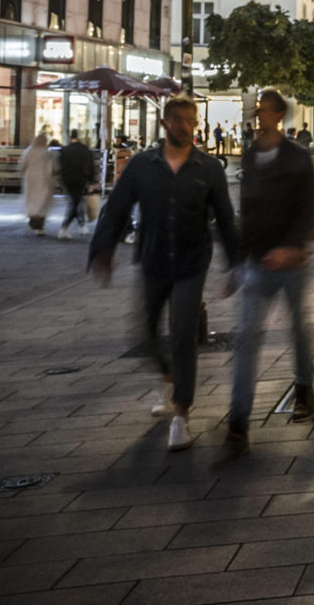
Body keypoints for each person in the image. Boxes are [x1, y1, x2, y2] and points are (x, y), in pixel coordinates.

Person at [88, 95, 238, 452]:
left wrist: (235, 263)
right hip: (153, 260)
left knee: (184, 334)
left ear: (196, 124)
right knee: (145, 332)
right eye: (177, 119)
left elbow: (226, 218)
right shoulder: (142, 166)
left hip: (191, 263)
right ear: (165, 123)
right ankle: (166, 374)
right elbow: (117, 208)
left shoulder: (209, 169)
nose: (183, 125)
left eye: (189, 119)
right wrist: (103, 250)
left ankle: (181, 414)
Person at [224, 89, 314, 459]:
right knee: (246, 338)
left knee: (298, 327)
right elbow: (246, 210)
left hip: (291, 262)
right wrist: (238, 261)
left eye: (264, 110)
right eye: (257, 110)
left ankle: (304, 389)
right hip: (257, 261)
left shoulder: (298, 157)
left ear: (279, 114)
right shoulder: (250, 155)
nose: (258, 115)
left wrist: (292, 246)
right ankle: (239, 420)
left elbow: (306, 207)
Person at [57, 130, 96, 240]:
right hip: (80, 179)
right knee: (76, 202)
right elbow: (90, 166)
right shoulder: (84, 149)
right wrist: (92, 181)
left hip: (67, 180)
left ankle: (78, 225)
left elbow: (60, 166)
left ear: (70, 137)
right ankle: (65, 227)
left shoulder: (64, 150)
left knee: (75, 201)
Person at [19, 130, 55, 234]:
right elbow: (52, 168)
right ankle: (40, 225)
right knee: (42, 202)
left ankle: (34, 220)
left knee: (32, 202)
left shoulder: (28, 152)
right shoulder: (47, 153)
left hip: (31, 181)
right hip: (44, 181)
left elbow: (23, 166)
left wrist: (22, 173)